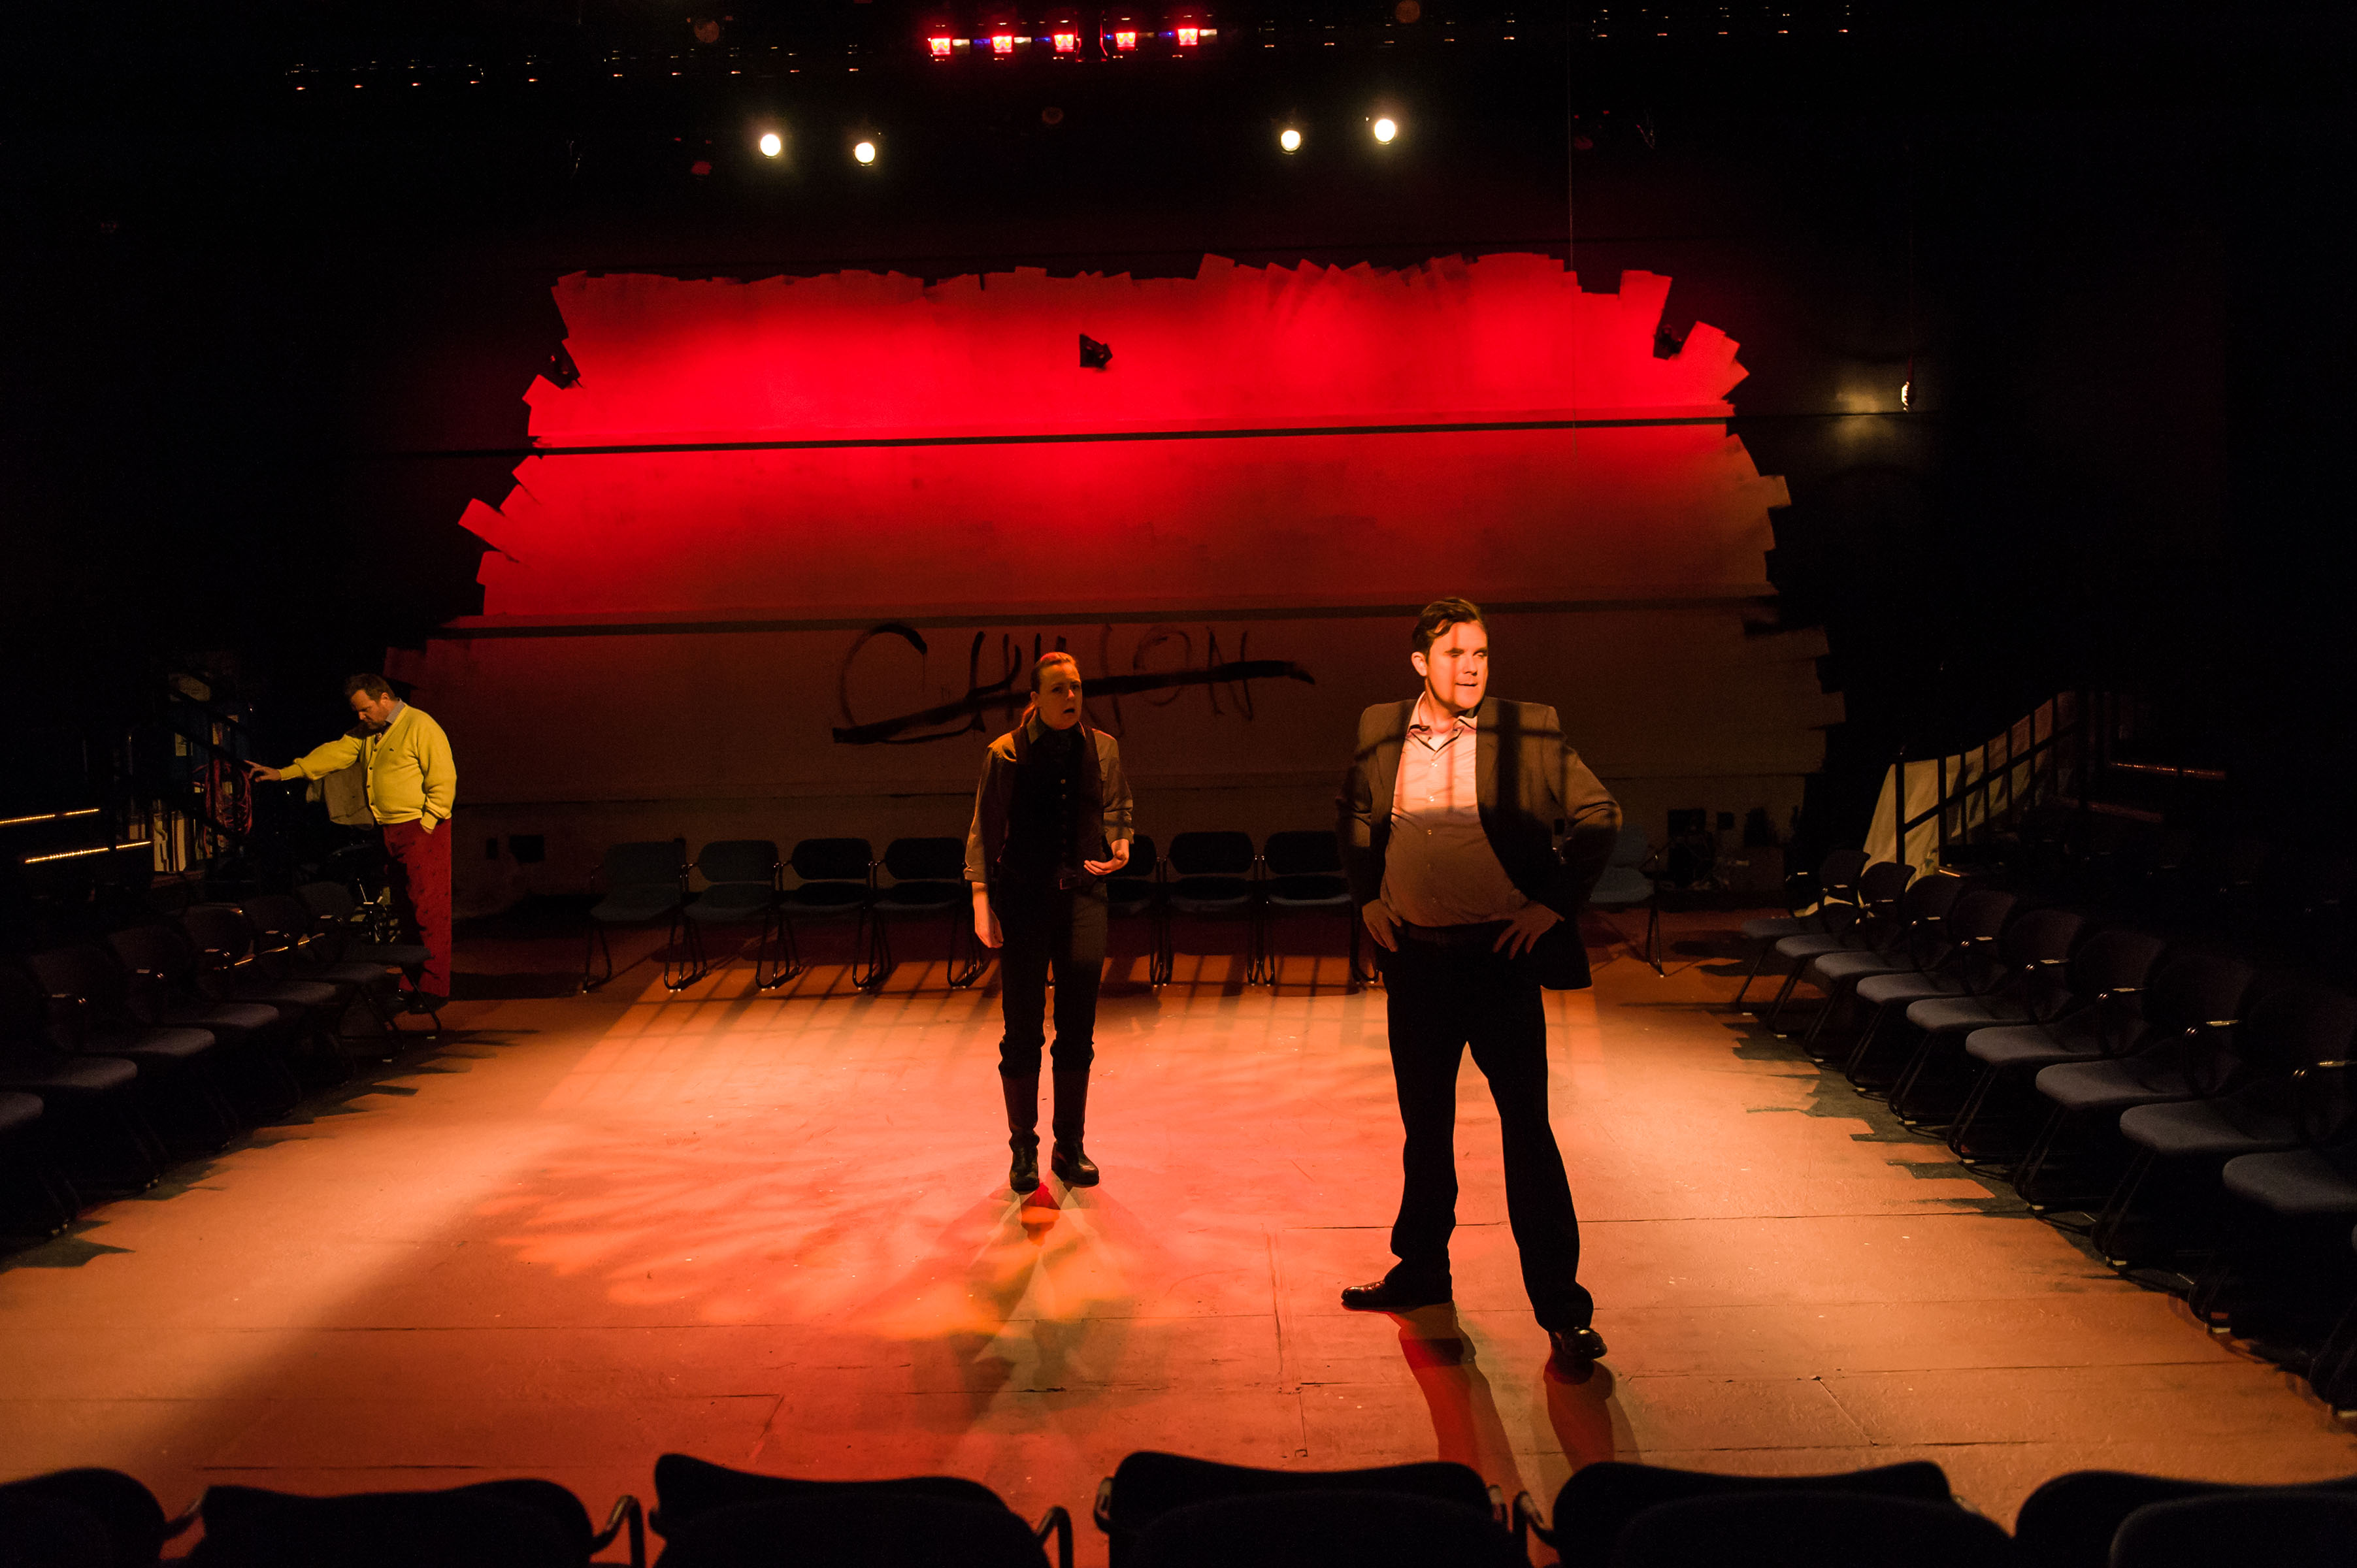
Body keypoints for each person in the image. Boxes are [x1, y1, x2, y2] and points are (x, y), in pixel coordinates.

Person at [1336, 597, 1622, 1377]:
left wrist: (1553, 905)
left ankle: (1563, 1311)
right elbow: (1357, 816)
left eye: (1482, 653)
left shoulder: (1525, 728)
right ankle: (1421, 1270)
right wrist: (1366, 896)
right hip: (1418, 965)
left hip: (1497, 964)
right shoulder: (1378, 727)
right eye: (1456, 653)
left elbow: (1600, 815)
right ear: (1420, 663)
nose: (1471, 667)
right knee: (1423, 1129)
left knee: (1527, 1132)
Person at [966, 653, 1134, 1193]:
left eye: (1077, 688)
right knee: (1021, 1030)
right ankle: (1023, 1147)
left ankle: (1070, 1145)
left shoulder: (1102, 747)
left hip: (1083, 900)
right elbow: (984, 831)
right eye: (1058, 690)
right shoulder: (1007, 753)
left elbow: (1117, 806)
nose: (1070, 698)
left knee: (1078, 1029)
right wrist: (980, 900)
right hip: (1023, 900)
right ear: (1034, 699)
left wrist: (1122, 843)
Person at [248, 675, 456, 1013]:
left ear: (385, 699)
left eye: (365, 709)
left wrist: (429, 822)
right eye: (357, 711)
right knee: (405, 909)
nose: (360, 716)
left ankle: (435, 986)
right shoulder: (370, 733)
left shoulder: (420, 725)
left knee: (429, 909)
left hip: (420, 828)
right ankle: (412, 979)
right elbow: (337, 753)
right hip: (391, 829)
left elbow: (443, 778)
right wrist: (286, 772)